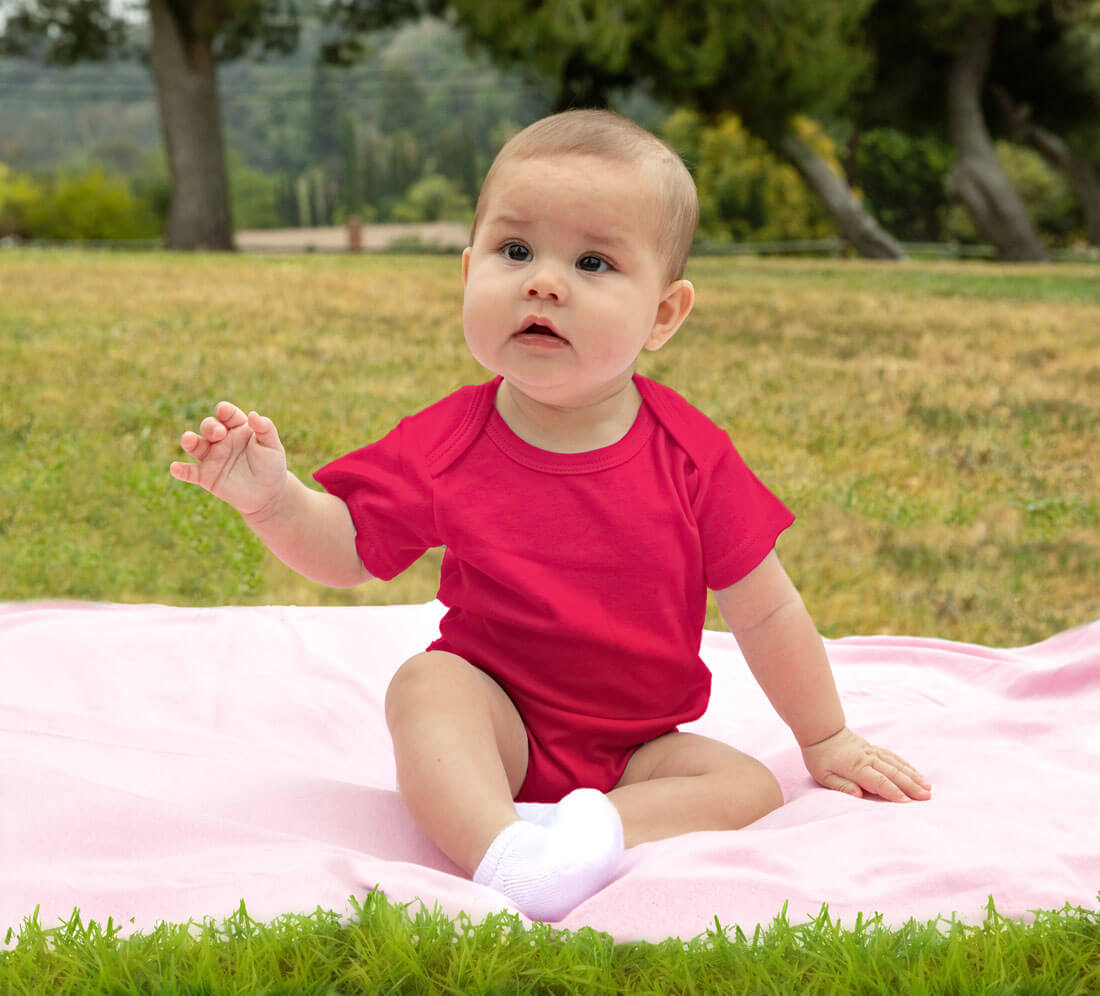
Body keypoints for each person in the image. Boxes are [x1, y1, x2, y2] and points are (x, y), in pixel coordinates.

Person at [170, 109, 931, 923]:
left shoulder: (689, 455)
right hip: (497, 719)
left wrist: (825, 739)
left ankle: (578, 838)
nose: (543, 281)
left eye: (594, 261)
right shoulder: (452, 441)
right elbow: (350, 547)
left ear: (664, 315)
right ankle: (502, 851)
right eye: (515, 251)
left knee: (748, 786)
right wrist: (273, 501)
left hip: (638, 750)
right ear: (470, 272)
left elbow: (769, 607)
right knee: (427, 686)